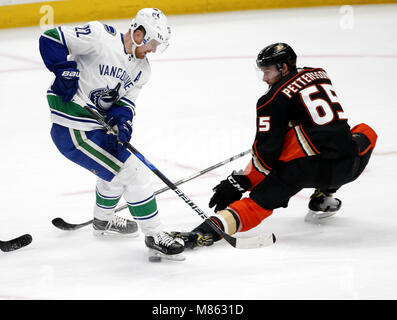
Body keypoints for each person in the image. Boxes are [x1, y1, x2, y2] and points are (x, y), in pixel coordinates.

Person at [173, 43, 377, 248]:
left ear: (284, 68)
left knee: (256, 205)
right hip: (349, 165)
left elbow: (265, 158)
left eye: (267, 71)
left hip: (303, 171)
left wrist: (239, 183)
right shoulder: (319, 74)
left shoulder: (270, 100)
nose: (264, 78)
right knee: (365, 131)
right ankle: (324, 195)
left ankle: (201, 234)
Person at [39, 8, 184, 259]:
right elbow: (51, 37)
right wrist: (64, 70)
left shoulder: (142, 70)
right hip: (73, 128)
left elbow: (125, 104)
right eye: (152, 43)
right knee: (134, 171)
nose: (153, 50)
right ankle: (155, 234)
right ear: (139, 33)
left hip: (95, 126)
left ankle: (103, 220)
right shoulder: (100, 36)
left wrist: (123, 123)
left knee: (116, 171)